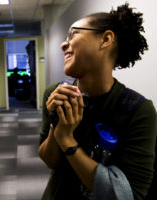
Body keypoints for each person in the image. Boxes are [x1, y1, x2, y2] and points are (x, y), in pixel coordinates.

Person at [38, 3, 156, 200]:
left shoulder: (138, 110)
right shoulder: (56, 93)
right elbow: (50, 161)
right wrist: (57, 127)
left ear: (106, 39)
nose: (63, 44)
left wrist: (67, 139)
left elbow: (129, 195)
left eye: (73, 34)